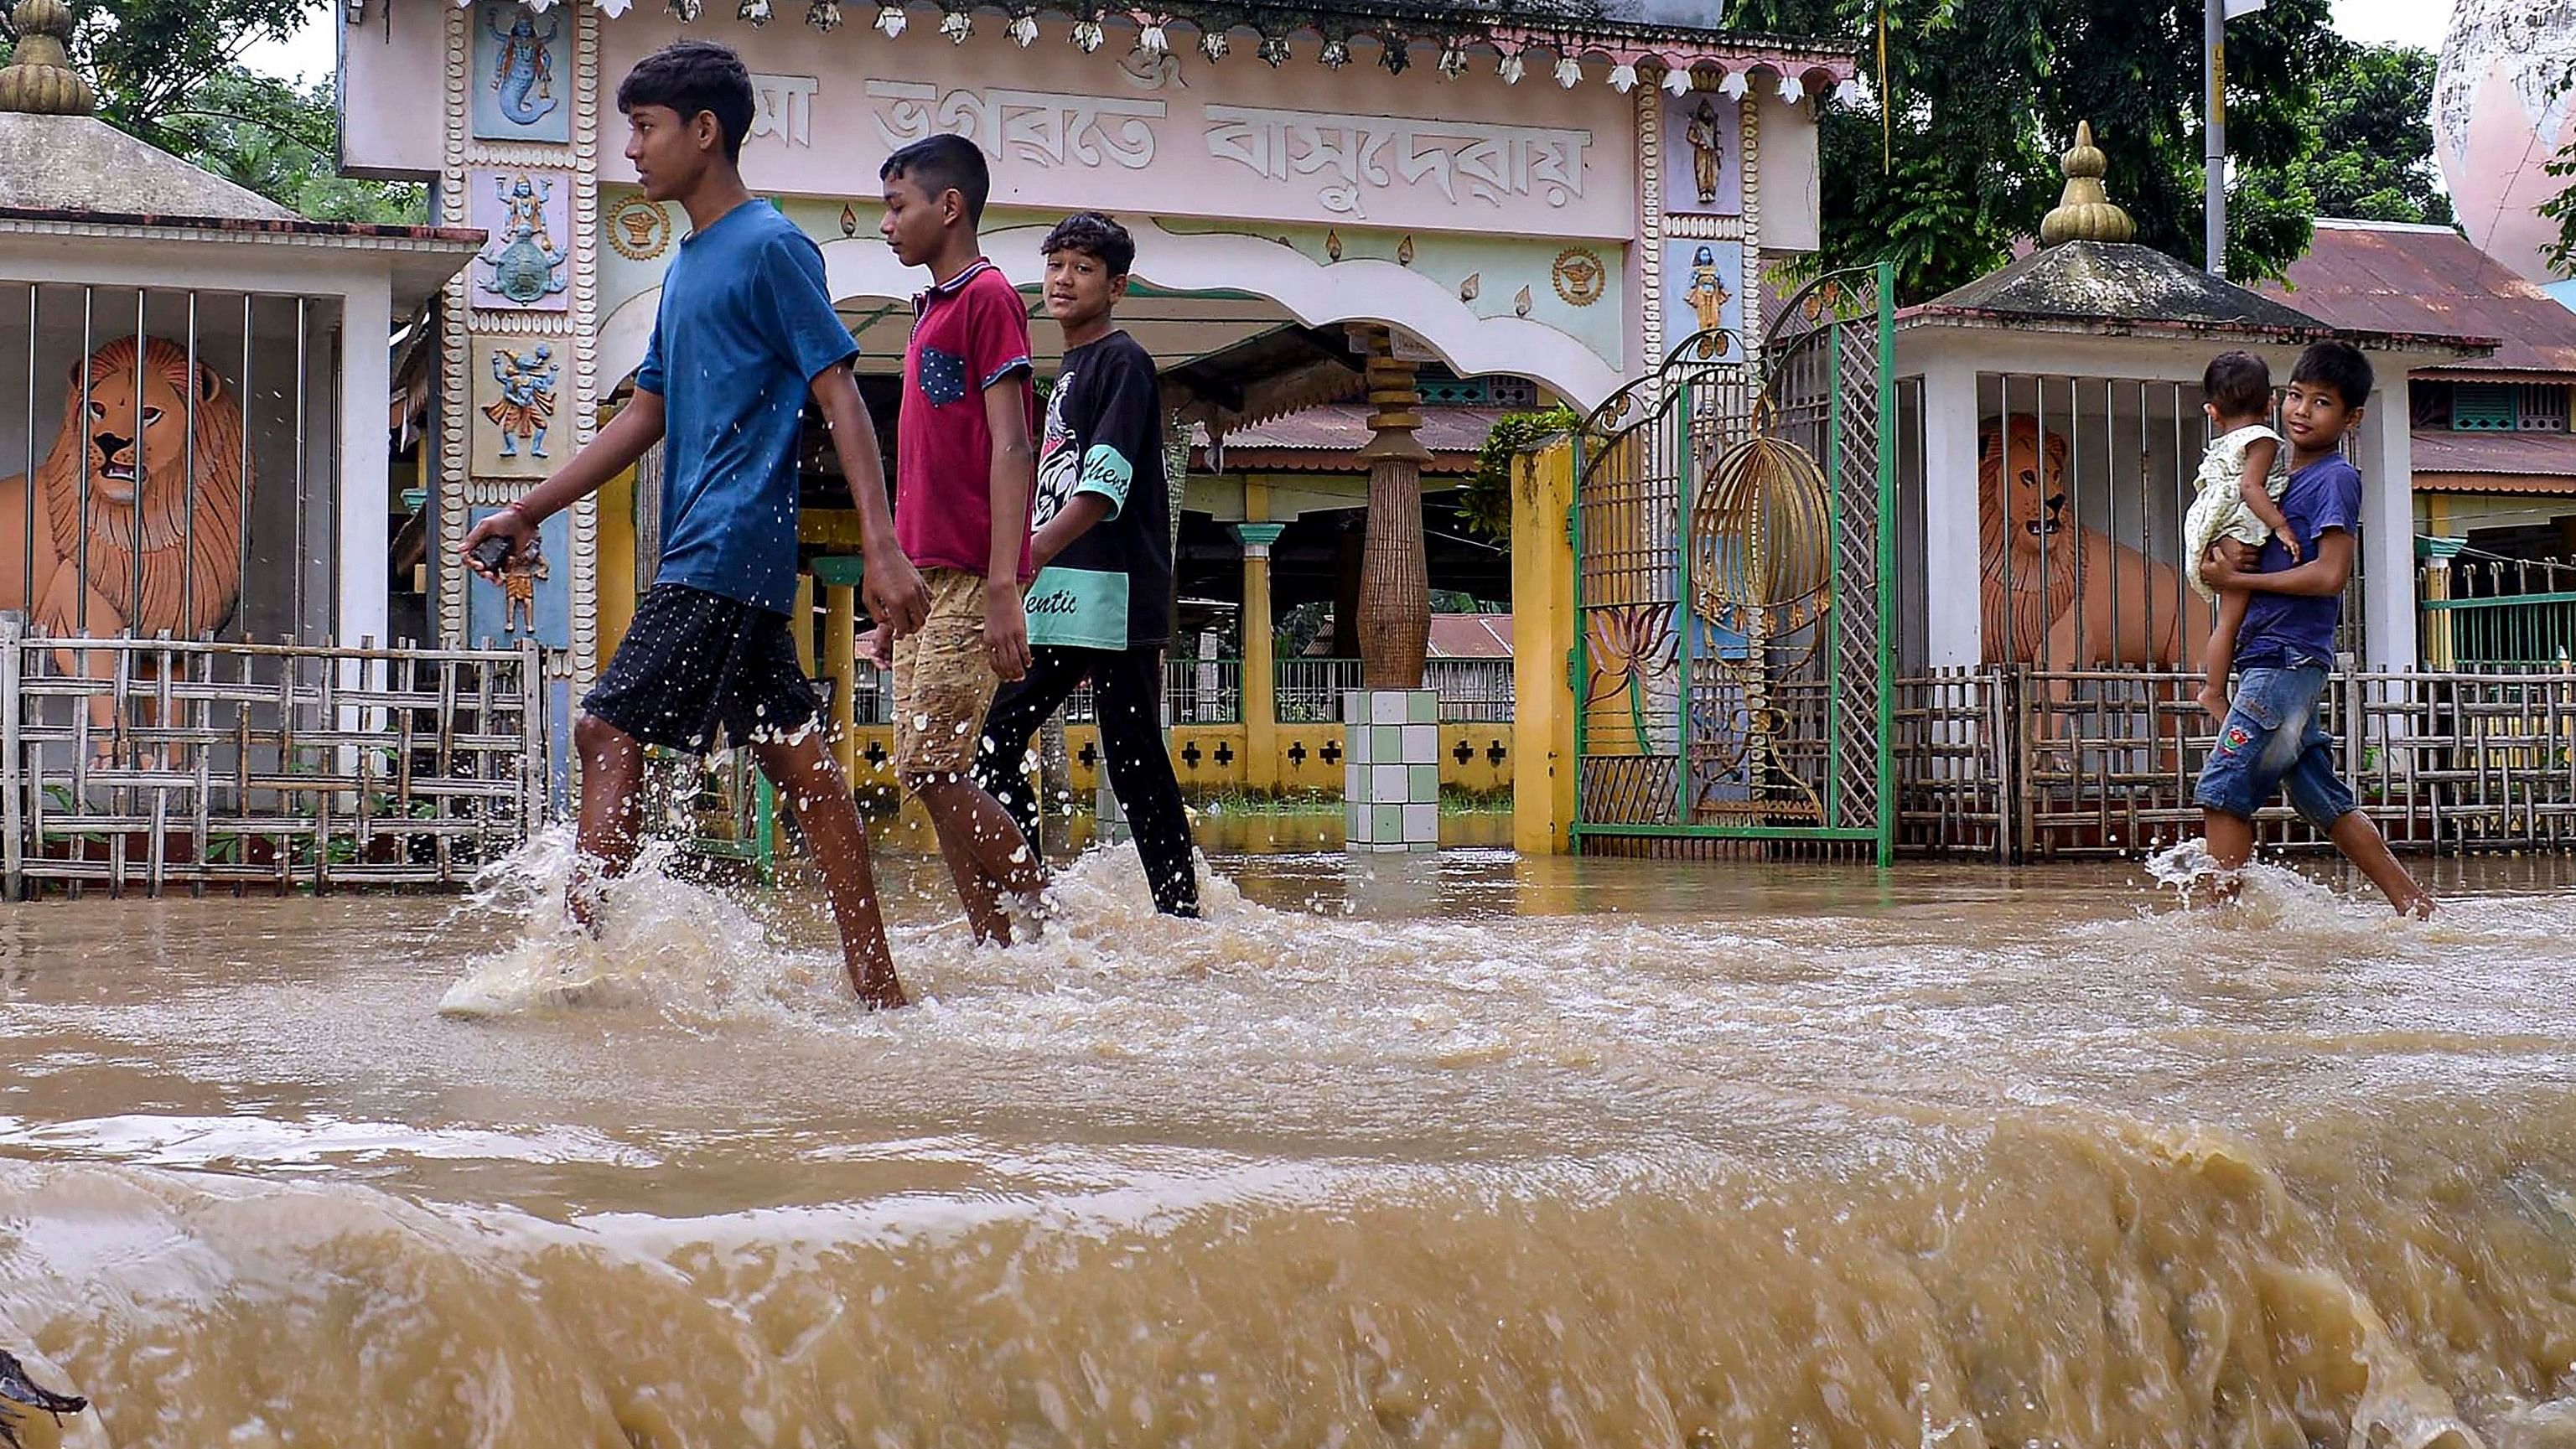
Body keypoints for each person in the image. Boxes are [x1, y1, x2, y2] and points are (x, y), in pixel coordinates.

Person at [458, 39, 929, 1008]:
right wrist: (528, 505)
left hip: (724, 544)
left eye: (644, 128)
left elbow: (839, 396)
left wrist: (881, 548)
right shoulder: (687, 264)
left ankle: (567, 970)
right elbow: (646, 413)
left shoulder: (771, 246)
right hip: (717, 554)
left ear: (704, 131)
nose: (629, 149)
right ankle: (879, 986)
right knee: (799, 759)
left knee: (602, 728)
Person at [972, 213, 1200, 918]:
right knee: (1118, 755)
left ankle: (1039, 903)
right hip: (1071, 589)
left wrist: (1020, 560)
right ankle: (1161, 908)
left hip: (1106, 591)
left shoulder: (1121, 361)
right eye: (1056, 265)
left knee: (1008, 738)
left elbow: (1102, 489)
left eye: (1082, 267)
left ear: (1117, 285)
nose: (1063, 279)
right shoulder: (1072, 365)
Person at [874, 132, 1049, 945]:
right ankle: (996, 945)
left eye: (896, 205)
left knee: (933, 769)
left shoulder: (988, 299)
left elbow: (1014, 446)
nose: (886, 224)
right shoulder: (928, 310)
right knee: (925, 772)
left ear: (949, 208)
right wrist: (893, 594)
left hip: (974, 579)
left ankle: (1046, 919)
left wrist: (1005, 586)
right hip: (922, 580)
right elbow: (924, 467)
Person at [2194, 341, 2434, 919]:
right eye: (2296, 396)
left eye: (2321, 402)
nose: (2301, 411)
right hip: (2274, 657)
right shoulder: (2276, 480)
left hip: (2283, 659)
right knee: (2322, 800)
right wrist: (2217, 569)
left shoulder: (2333, 478)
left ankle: (2211, 934)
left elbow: (2329, 575)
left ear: (2350, 418)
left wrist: (2244, 583)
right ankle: (2417, 910)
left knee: (2222, 788)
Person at [2183, 349, 2299, 722]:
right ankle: (2213, 691)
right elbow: (2252, 486)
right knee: (2229, 622)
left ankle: (2214, 688)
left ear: (2211, 412)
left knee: (2226, 621)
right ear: (2271, 402)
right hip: (2239, 534)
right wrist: (2280, 524)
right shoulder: (2261, 439)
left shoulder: (2223, 443)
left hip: (2217, 531)